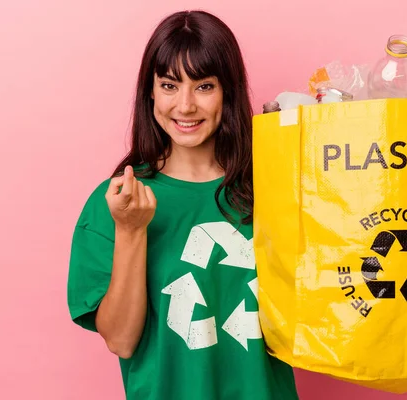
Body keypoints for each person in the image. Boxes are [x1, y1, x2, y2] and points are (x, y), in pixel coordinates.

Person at [67, 9, 299, 400]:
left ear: (228, 91)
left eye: (204, 86)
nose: (186, 106)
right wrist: (130, 230)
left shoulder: (274, 186)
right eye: (170, 85)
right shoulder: (120, 201)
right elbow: (122, 342)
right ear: (151, 92)